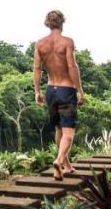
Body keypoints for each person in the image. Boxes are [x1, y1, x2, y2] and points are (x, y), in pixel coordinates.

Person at [33, 9, 84, 179]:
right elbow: (72, 67)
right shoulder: (67, 42)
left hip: (51, 91)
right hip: (66, 89)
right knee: (68, 133)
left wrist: (37, 92)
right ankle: (59, 160)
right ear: (62, 22)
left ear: (48, 23)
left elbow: (37, 69)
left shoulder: (40, 44)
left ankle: (67, 165)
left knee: (58, 129)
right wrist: (79, 91)